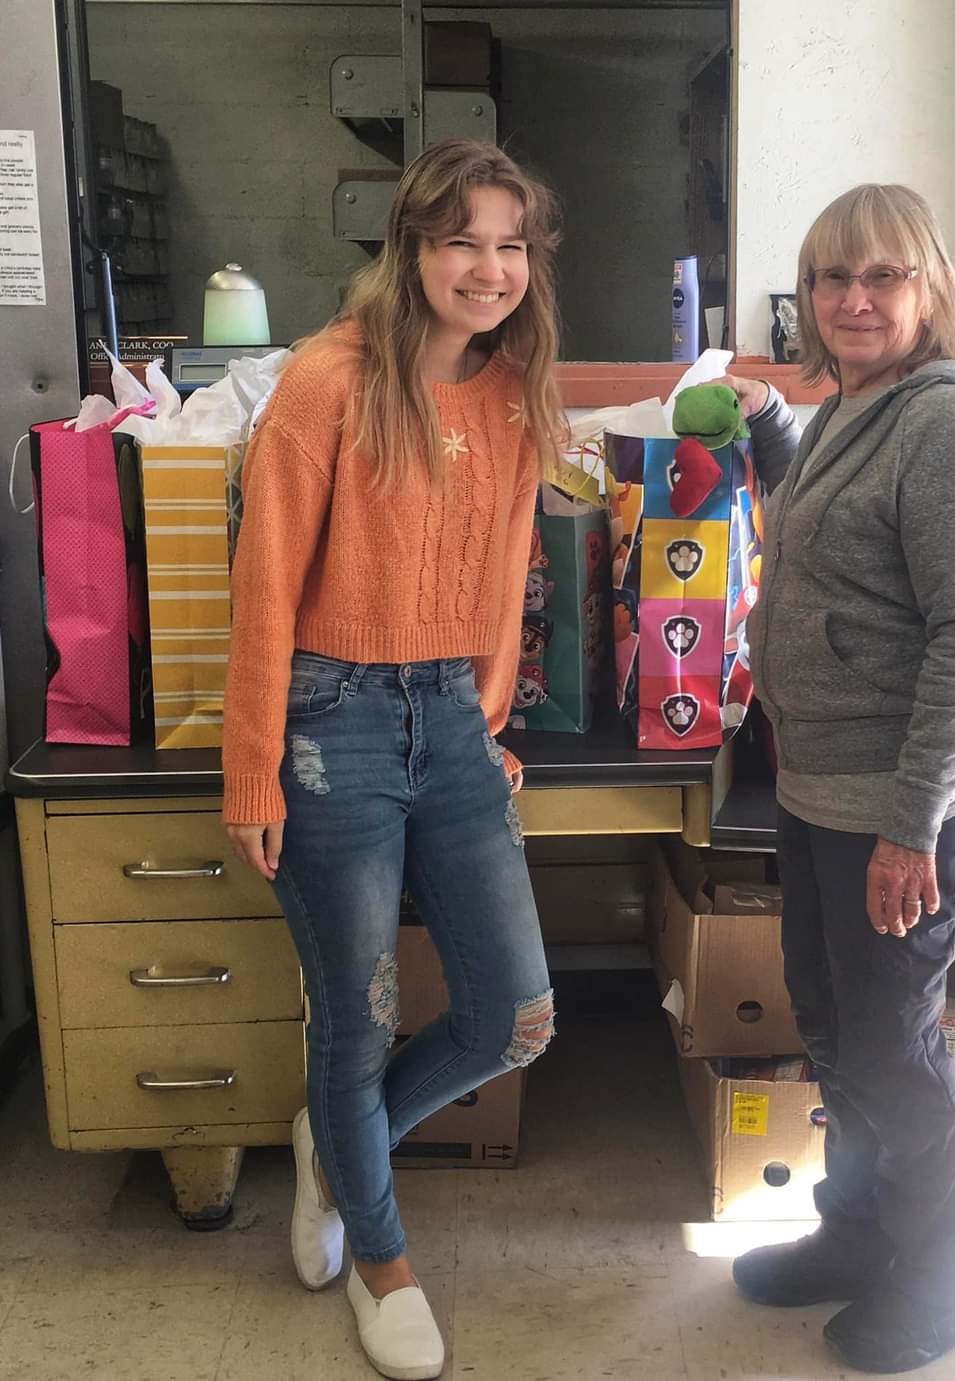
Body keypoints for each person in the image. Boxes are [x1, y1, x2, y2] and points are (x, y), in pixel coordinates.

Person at [222, 139, 562, 1381]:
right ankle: (381, 1257)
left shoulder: (512, 391)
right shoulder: (328, 381)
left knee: (514, 1018)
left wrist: (481, 721)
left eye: (510, 244)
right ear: (411, 247)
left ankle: (335, 1142)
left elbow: (502, 570)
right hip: (328, 724)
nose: (488, 267)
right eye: (462, 239)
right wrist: (252, 769)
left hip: (451, 721)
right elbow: (264, 584)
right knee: (357, 1020)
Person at [722, 184, 955, 1374]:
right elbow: (833, 525)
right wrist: (767, 429)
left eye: (882, 276)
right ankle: (860, 1232)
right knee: (836, 1028)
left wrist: (911, 828)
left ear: (929, 288)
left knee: (896, 1048)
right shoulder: (855, 402)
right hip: (819, 783)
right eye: (831, 278)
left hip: (901, 801)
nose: (853, 299)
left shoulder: (944, 419)